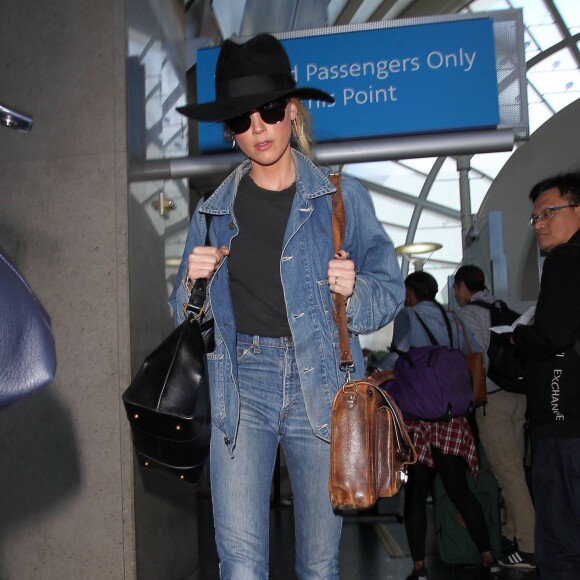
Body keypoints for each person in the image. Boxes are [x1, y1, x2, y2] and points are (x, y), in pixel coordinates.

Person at [169, 33, 405, 580]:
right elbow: (187, 318)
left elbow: (388, 294)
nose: (258, 130)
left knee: (320, 565)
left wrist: (354, 289)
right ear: (230, 131)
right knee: (241, 565)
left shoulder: (342, 199)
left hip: (320, 385)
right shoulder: (211, 213)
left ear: (292, 111)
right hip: (239, 387)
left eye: (269, 112)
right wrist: (191, 286)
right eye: (240, 120)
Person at [379, 272, 502, 580]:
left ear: (410, 292)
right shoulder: (454, 320)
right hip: (450, 417)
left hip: (419, 417)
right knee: (459, 489)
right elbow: (480, 357)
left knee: (417, 493)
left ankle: (419, 567)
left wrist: (374, 371)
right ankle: (489, 557)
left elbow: (396, 358)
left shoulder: (407, 316)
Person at [511, 172, 580, 580]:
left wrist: (520, 337)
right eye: (535, 217)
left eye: (548, 212)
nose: (539, 223)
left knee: (560, 547)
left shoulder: (566, 260)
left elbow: (552, 335)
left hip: (564, 426)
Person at [453, 265, 536, 569]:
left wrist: (473, 398)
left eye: (457, 289)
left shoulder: (467, 315)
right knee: (514, 468)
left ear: (463, 287)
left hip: (494, 400)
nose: (457, 295)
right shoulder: (500, 308)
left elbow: (476, 357)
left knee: (508, 473)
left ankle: (528, 547)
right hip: (518, 395)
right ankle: (512, 534)